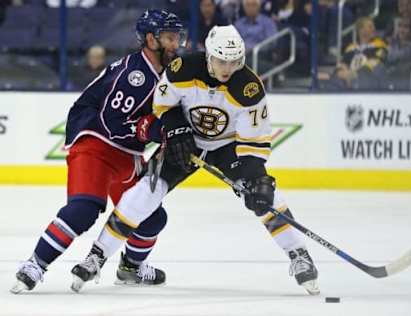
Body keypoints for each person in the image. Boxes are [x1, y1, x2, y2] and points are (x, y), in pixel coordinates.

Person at [72, 25, 321, 295]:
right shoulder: (182, 69)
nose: (228, 68)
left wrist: (255, 176)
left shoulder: (249, 88)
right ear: (209, 56)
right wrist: (176, 129)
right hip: (186, 140)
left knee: (265, 195)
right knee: (144, 192)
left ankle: (299, 255)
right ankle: (96, 255)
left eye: (235, 61)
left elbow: (254, 141)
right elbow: (162, 106)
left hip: (227, 147)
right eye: (222, 61)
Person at [10, 9, 186, 294]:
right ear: (151, 39)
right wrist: (150, 130)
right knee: (83, 210)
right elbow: (111, 121)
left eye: (177, 37)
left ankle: (130, 268)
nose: (175, 44)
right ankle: (35, 264)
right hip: (96, 143)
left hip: (127, 152)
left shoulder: (163, 72)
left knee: (152, 217)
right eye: (169, 37)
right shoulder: (137, 75)